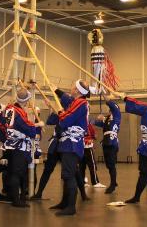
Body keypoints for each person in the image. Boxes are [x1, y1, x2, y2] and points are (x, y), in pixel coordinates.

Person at [49, 80, 90, 216]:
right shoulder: (77, 102)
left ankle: (71, 206)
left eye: (73, 87)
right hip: (68, 143)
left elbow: (66, 119)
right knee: (66, 175)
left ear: (77, 91)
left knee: (69, 175)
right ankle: (65, 202)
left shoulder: (80, 103)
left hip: (72, 144)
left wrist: (60, 112)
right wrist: (56, 90)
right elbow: (67, 99)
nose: (71, 89)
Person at [3, 88, 39, 208]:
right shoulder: (17, 111)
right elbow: (27, 128)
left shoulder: (9, 109)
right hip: (18, 147)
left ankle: (19, 197)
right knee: (17, 173)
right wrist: (36, 126)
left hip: (10, 145)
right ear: (26, 101)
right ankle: (16, 200)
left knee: (17, 173)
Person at [94, 93, 121, 193]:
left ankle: (113, 184)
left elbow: (110, 103)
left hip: (112, 143)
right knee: (108, 164)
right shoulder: (106, 119)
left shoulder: (117, 116)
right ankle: (114, 181)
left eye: (111, 110)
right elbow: (96, 122)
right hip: (105, 142)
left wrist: (103, 94)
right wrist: (98, 118)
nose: (109, 111)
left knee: (112, 164)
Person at [80, 122, 105, 188]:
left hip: (81, 147)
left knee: (82, 166)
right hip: (87, 147)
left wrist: (93, 137)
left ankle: (82, 182)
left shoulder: (80, 122)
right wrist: (91, 137)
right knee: (92, 165)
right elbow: (92, 133)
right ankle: (95, 182)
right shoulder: (87, 123)